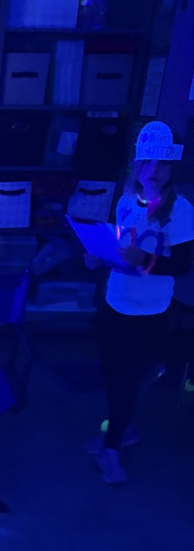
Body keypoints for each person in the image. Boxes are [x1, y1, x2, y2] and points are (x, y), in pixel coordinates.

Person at [84, 121, 194, 484]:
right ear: (138, 163)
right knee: (111, 373)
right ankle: (122, 430)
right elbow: (120, 249)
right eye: (148, 161)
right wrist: (99, 258)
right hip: (116, 301)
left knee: (127, 378)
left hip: (149, 310)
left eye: (162, 163)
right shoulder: (127, 200)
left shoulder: (181, 211)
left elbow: (182, 265)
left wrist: (143, 260)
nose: (153, 169)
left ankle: (111, 448)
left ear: (173, 166)